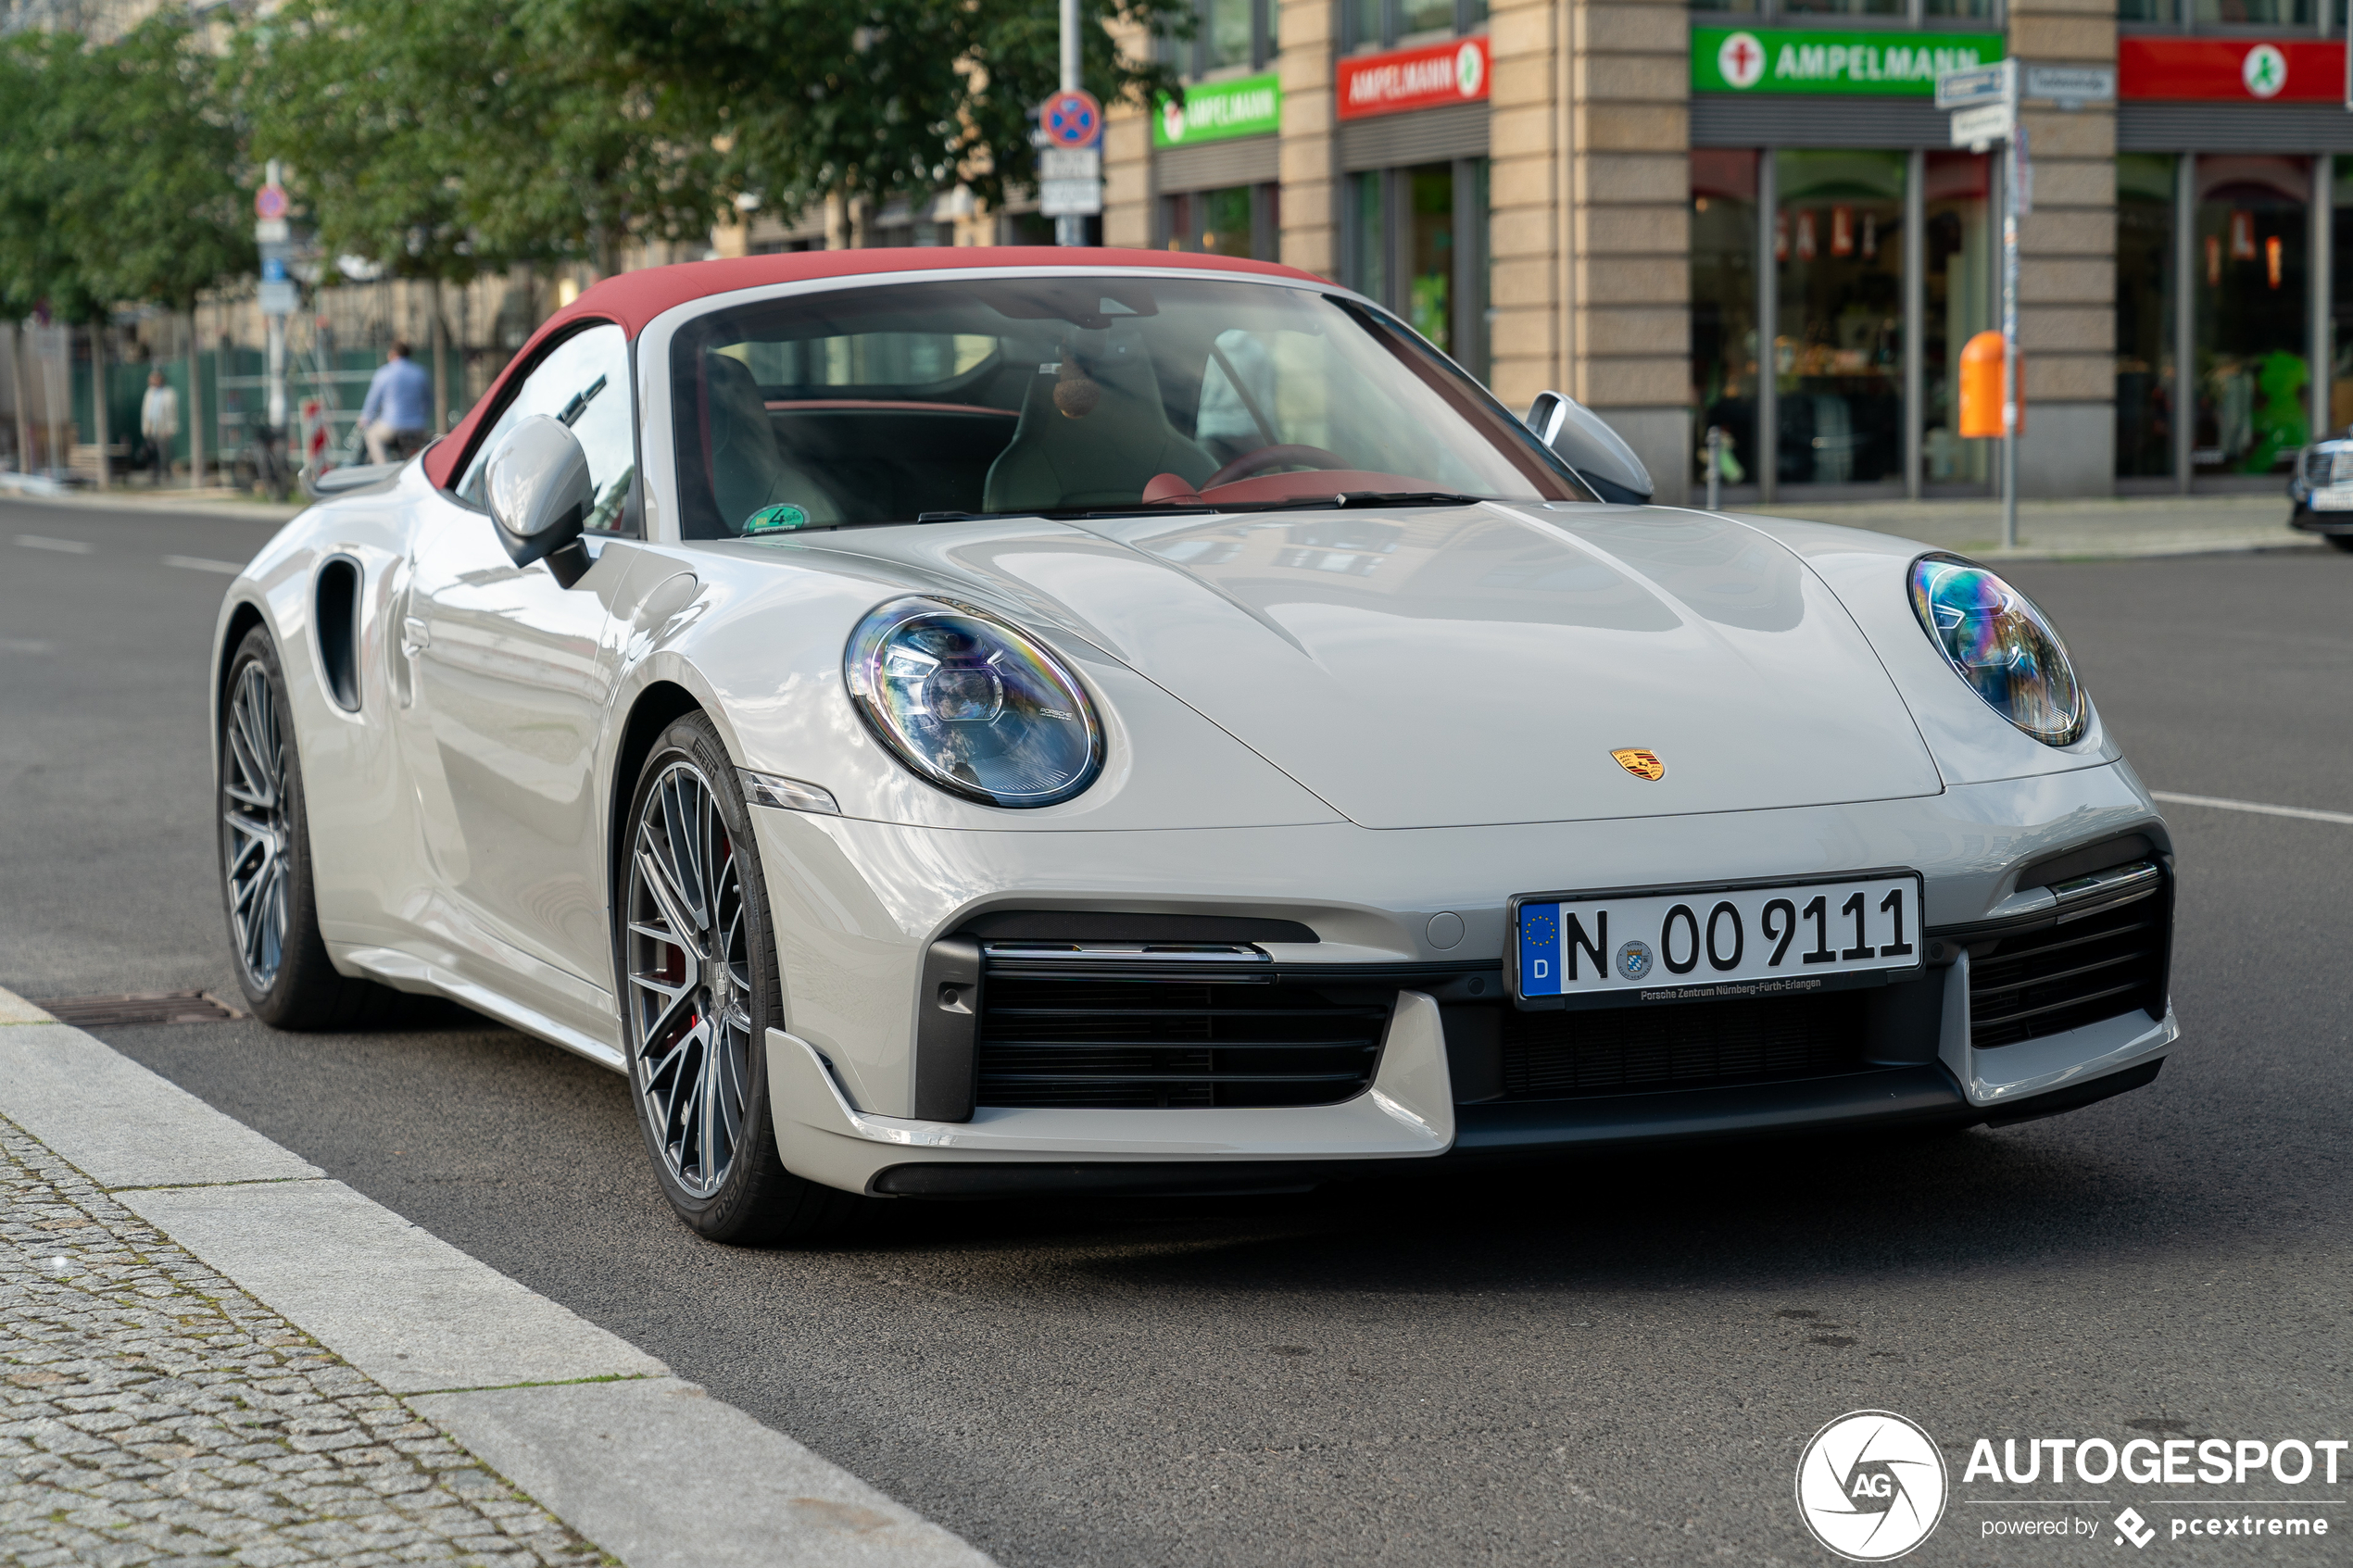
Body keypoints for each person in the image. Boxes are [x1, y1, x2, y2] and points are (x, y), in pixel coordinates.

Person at [359, 341, 432, 464]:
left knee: (372, 436)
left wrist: (365, 418)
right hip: (417, 427)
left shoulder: (384, 373)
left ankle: (383, 469)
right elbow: (428, 401)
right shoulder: (420, 373)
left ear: (392, 354)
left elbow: (372, 401)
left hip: (391, 426)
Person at [138, 370, 178, 486]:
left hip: (163, 428)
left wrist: (170, 428)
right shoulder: (149, 393)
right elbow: (145, 412)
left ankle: (166, 474)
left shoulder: (169, 393)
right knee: (151, 452)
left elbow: (173, 412)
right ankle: (153, 475)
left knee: (164, 452)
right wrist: (145, 427)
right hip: (151, 427)